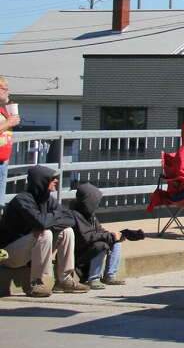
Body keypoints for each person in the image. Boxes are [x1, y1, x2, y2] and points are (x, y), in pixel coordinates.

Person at [0, 166, 88, 296]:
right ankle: (36, 283)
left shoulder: (47, 199)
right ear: (41, 180)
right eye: (52, 178)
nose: (56, 181)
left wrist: (50, 219)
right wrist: (53, 217)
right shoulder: (22, 200)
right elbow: (42, 223)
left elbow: (71, 219)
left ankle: (64, 280)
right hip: (8, 255)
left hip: (31, 250)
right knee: (44, 233)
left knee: (67, 231)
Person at [69, 182, 124, 288]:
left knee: (116, 242)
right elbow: (86, 237)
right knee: (101, 245)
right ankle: (93, 278)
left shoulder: (90, 214)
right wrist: (109, 236)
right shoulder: (74, 215)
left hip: (90, 250)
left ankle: (110, 275)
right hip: (79, 254)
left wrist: (114, 236)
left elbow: (99, 231)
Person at [0, 77, 20, 199]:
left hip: (3, 161)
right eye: (4, 89)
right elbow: (7, 124)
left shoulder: (2, 109)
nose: (8, 92)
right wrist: (8, 123)